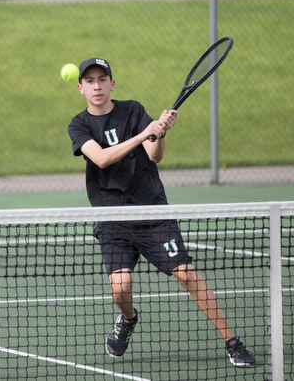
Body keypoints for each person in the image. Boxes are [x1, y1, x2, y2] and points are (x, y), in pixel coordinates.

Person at [67, 57, 256, 367]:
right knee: (121, 287)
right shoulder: (80, 124)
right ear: (80, 88)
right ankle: (128, 318)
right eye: (90, 81)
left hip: (152, 211)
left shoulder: (133, 110)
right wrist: (143, 135)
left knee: (186, 274)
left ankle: (232, 342)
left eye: (102, 79)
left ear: (112, 84)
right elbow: (101, 158)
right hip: (114, 219)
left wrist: (160, 133)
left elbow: (154, 156)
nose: (97, 85)